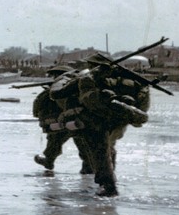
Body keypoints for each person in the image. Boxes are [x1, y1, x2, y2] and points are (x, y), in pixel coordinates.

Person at [46, 54, 156, 196]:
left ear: (93, 65)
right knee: (108, 148)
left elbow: (57, 94)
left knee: (99, 151)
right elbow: (143, 106)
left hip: (95, 120)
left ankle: (108, 186)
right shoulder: (134, 81)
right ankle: (108, 181)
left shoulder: (88, 77)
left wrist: (65, 78)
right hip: (120, 120)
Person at [31, 64, 92, 174]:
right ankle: (88, 167)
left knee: (54, 143)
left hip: (62, 122)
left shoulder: (52, 91)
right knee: (83, 145)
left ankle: (49, 161)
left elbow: (37, 108)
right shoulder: (79, 88)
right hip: (78, 121)